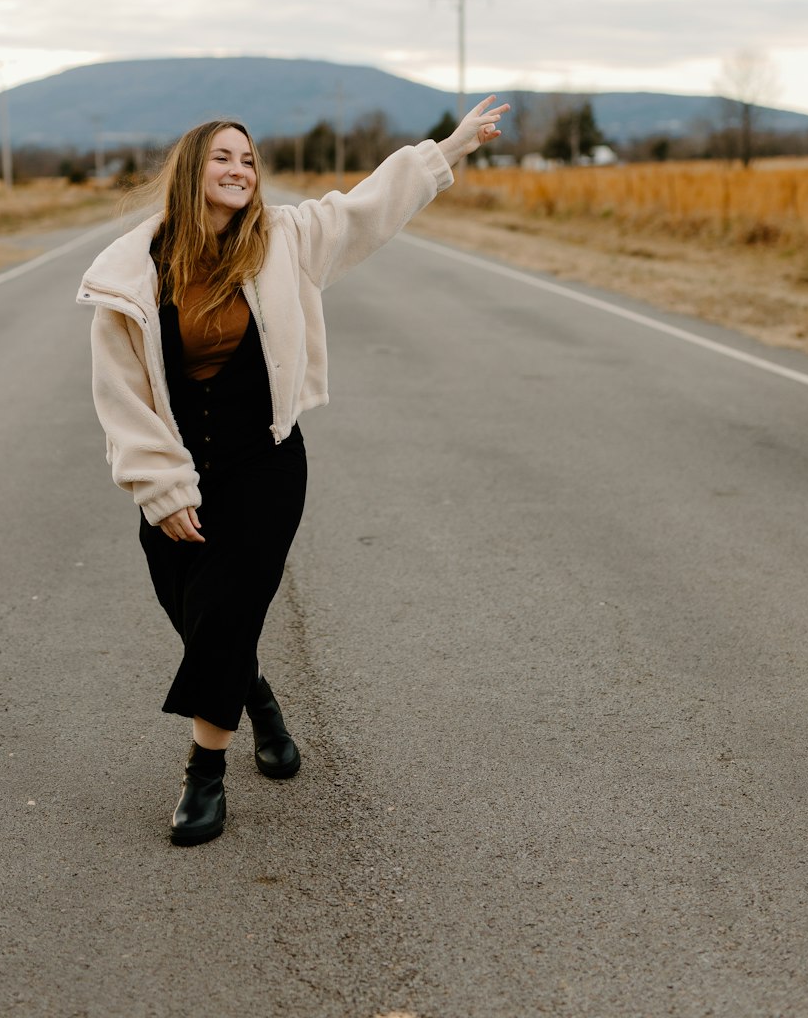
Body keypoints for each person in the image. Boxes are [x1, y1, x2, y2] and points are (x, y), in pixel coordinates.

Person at [76, 95, 509, 845]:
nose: (240, 169)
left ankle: (202, 779)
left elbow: (369, 205)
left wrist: (452, 147)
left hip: (265, 464)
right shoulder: (132, 274)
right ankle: (261, 705)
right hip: (182, 470)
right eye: (223, 157)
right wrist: (161, 487)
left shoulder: (286, 240)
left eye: (249, 159)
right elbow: (121, 396)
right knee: (198, 617)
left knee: (225, 611)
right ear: (190, 172)